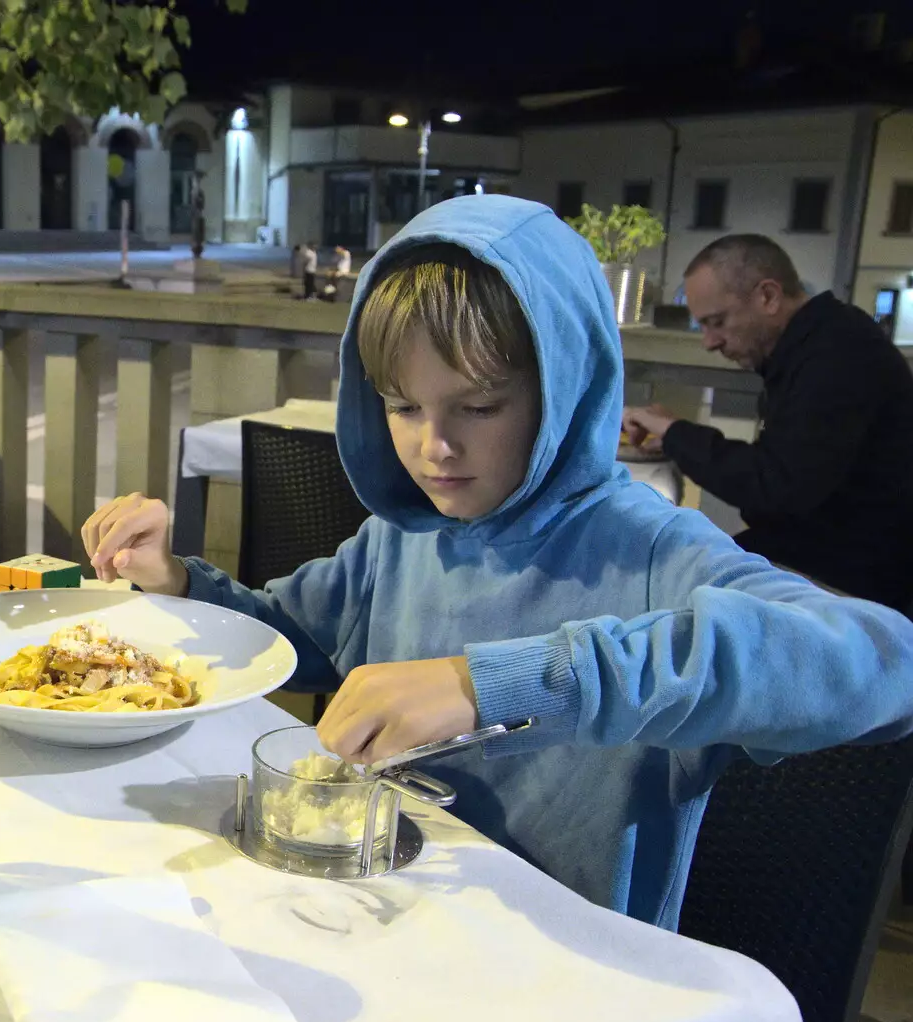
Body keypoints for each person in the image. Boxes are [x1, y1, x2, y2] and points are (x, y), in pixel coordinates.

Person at [81, 195, 913, 930]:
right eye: (403, 407)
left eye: (478, 406)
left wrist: (495, 684)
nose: (434, 447)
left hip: (563, 968)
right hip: (377, 921)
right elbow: (287, 635)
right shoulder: (403, 535)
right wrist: (179, 581)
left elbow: (887, 661)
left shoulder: (652, 548)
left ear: (566, 389)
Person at [622, 235, 913, 611]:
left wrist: (676, 432)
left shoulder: (838, 355)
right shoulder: (818, 342)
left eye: (717, 322)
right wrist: (676, 440)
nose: (710, 342)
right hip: (833, 550)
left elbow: (775, 486)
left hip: (860, 581)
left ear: (768, 296)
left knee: (665, 584)